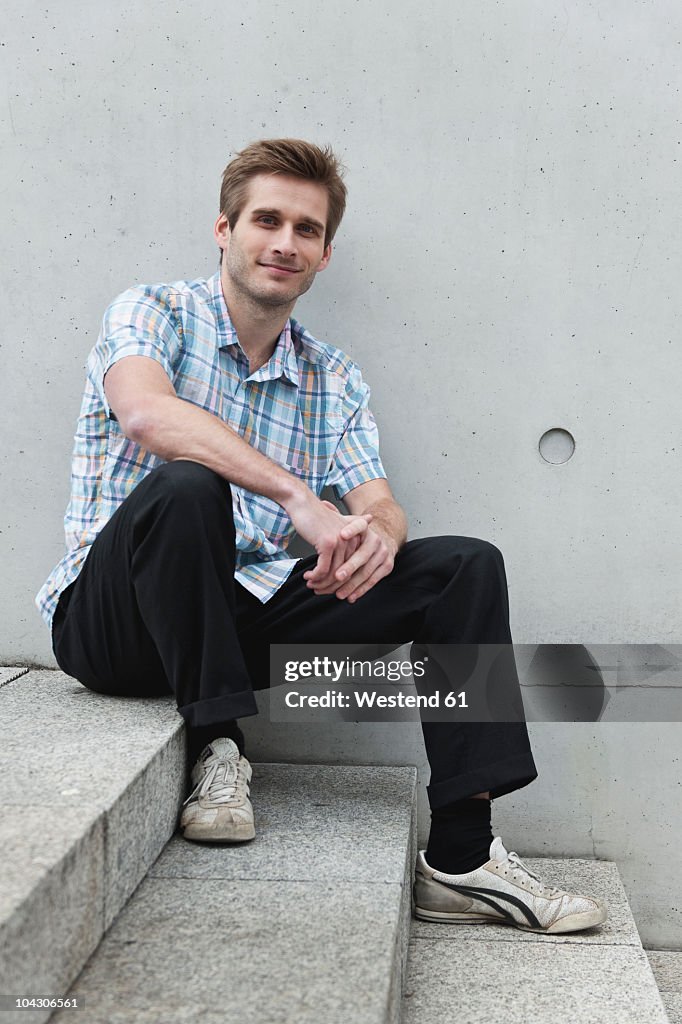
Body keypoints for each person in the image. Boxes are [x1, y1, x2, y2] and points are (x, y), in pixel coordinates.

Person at [37, 138, 607, 935]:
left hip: (240, 617)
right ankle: (218, 745)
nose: (284, 242)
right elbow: (147, 415)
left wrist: (375, 536)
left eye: (305, 230)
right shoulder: (153, 311)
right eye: (266, 220)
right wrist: (296, 496)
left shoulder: (331, 375)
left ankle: (462, 858)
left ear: (325, 254)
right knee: (187, 483)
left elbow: (379, 499)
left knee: (463, 568)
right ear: (224, 230)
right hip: (115, 626)